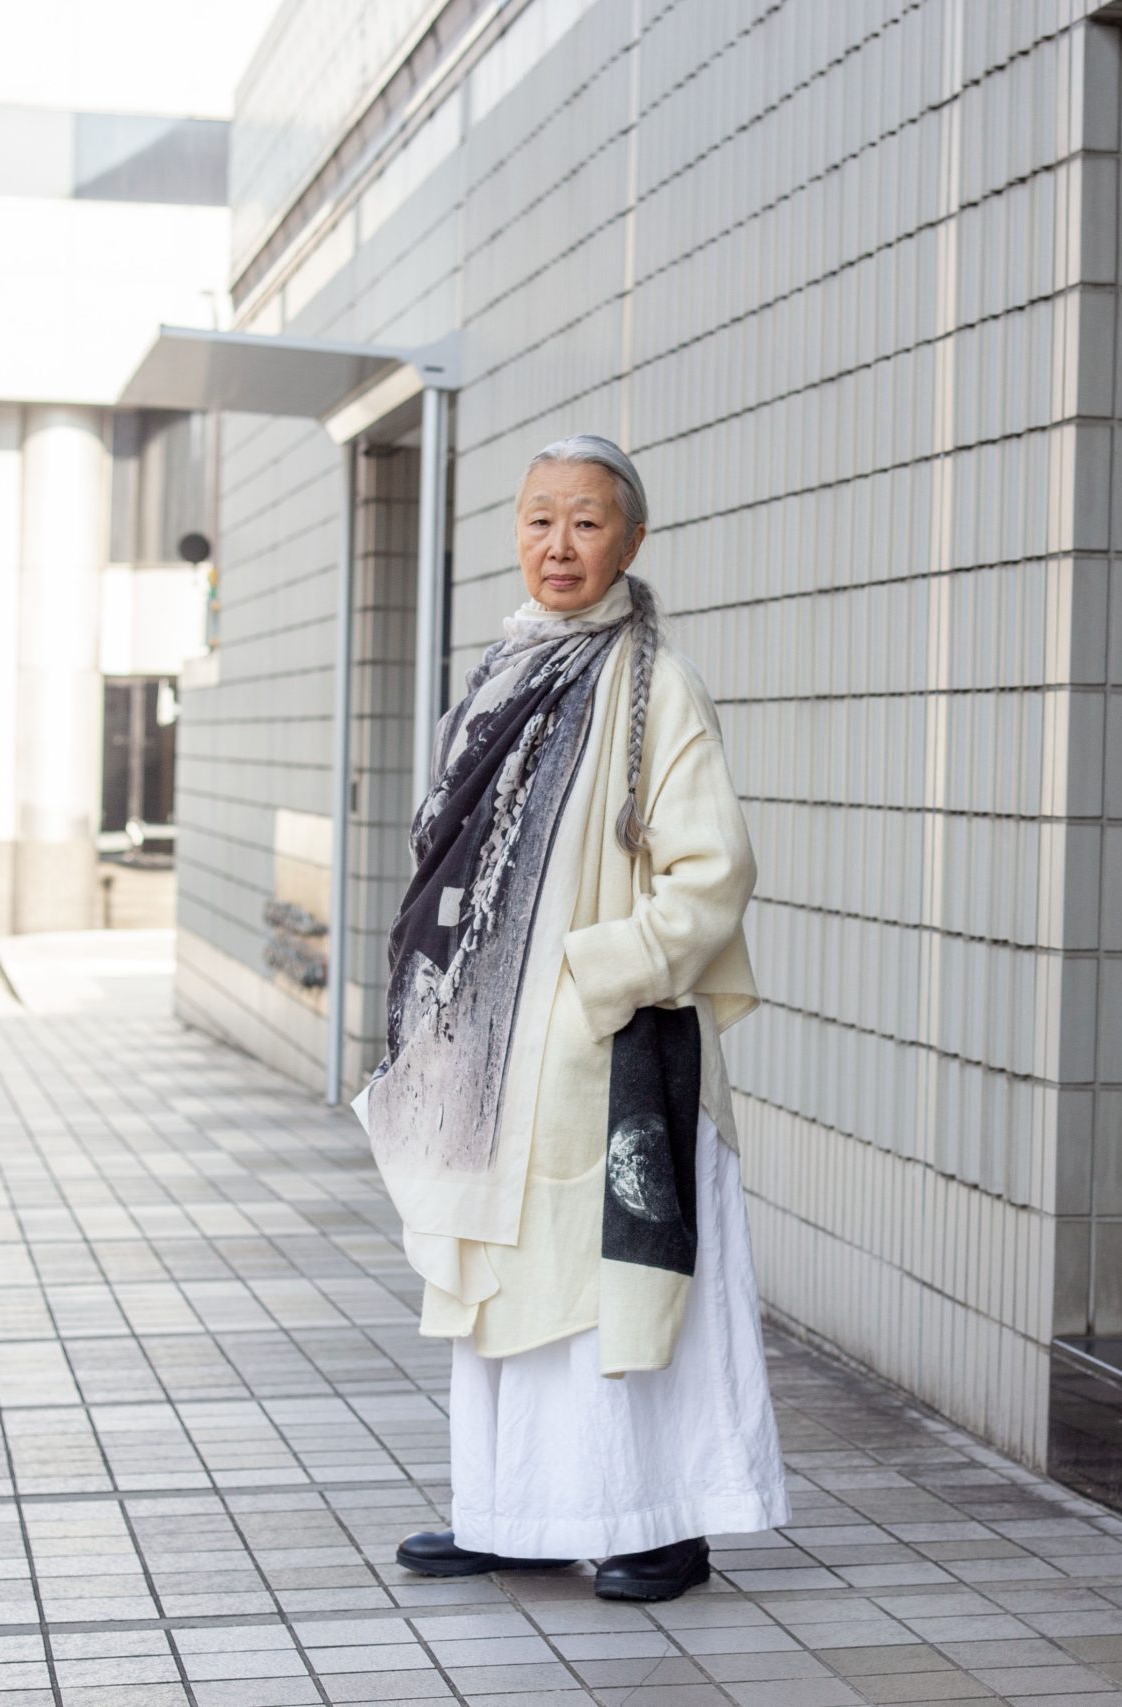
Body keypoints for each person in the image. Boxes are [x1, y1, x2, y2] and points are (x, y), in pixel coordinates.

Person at [355, 435, 784, 1602]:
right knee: (504, 1291)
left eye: (586, 522)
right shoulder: (502, 674)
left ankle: (660, 1523)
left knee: (609, 1301)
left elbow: (711, 874)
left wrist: (591, 974)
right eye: (540, 518)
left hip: (605, 1048)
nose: (559, 544)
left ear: (630, 541)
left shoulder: (654, 685)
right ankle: (512, 1513)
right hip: (489, 1059)